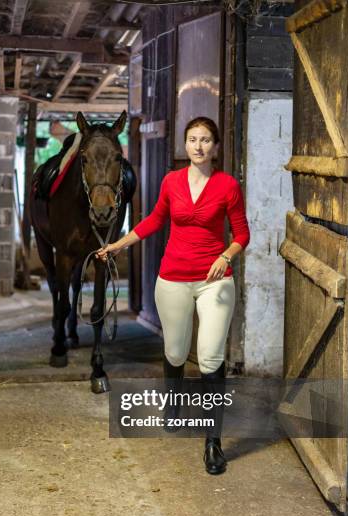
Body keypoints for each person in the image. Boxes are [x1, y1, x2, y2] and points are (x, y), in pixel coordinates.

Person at [96, 116, 250, 475]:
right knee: (176, 351)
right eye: (193, 139)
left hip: (215, 280)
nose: (198, 146)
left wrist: (225, 256)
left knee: (210, 358)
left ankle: (213, 442)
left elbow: (242, 233)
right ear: (185, 144)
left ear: (215, 146)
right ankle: (174, 404)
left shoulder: (227, 185)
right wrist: (118, 244)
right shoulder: (171, 182)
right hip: (173, 278)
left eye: (206, 140)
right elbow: (154, 220)